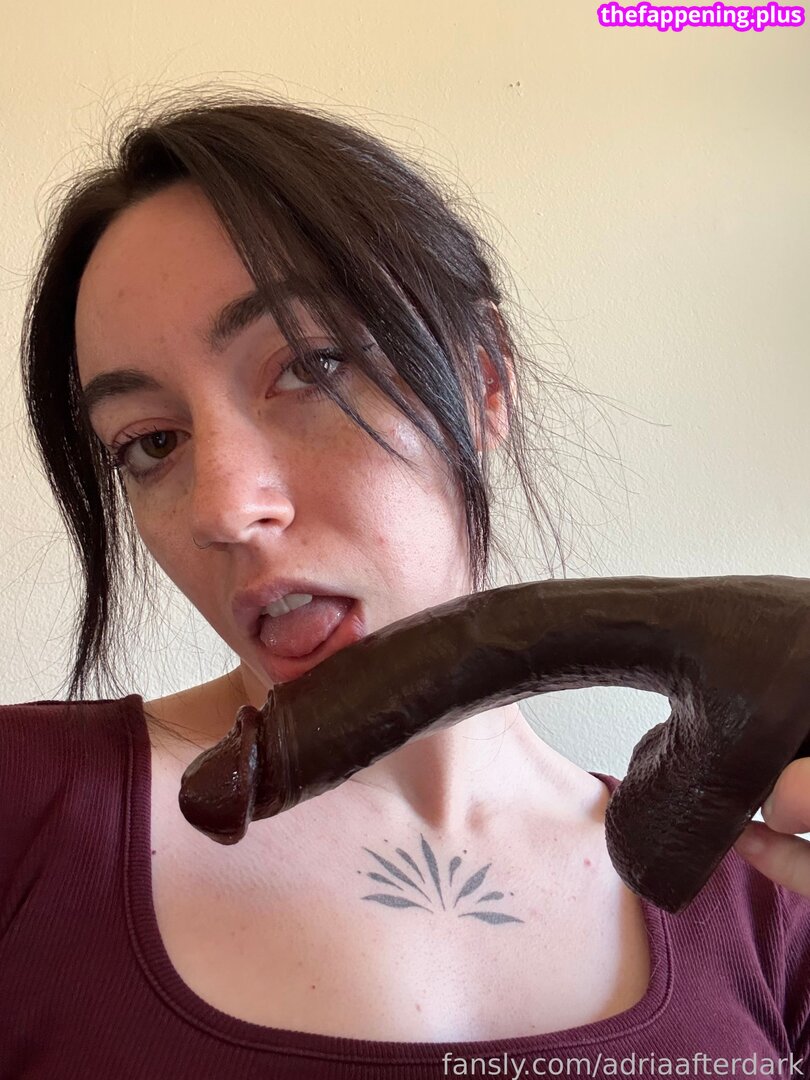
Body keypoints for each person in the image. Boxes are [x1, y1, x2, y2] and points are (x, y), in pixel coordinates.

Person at [2, 91, 808, 1079]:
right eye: (152, 443)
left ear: (486, 380)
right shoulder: (22, 809)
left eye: (310, 366)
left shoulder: (765, 891)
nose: (223, 508)